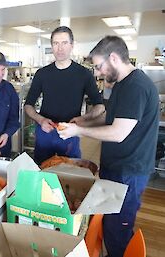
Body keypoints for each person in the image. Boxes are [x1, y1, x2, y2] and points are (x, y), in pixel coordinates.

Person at [57, 35, 159, 257]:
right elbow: (111, 119)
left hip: (129, 172)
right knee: (110, 225)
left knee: (117, 231)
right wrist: (82, 121)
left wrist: (79, 131)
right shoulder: (122, 84)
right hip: (117, 168)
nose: (98, 72)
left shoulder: (137, 86)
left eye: (99, 66)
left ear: (113, 58)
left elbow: (118, 132)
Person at [24, 26, 105, 165]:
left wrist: (83, 119)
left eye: (64, 43)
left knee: (70, 173)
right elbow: (28, 106)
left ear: (72, 45)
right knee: (41, 171)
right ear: (51, 46)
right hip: (45, 131)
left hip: (70, 131)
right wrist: (40, 120)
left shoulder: (84, 74)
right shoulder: (42, 74)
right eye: (56, 43)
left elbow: (100, 106)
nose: (60, 48)